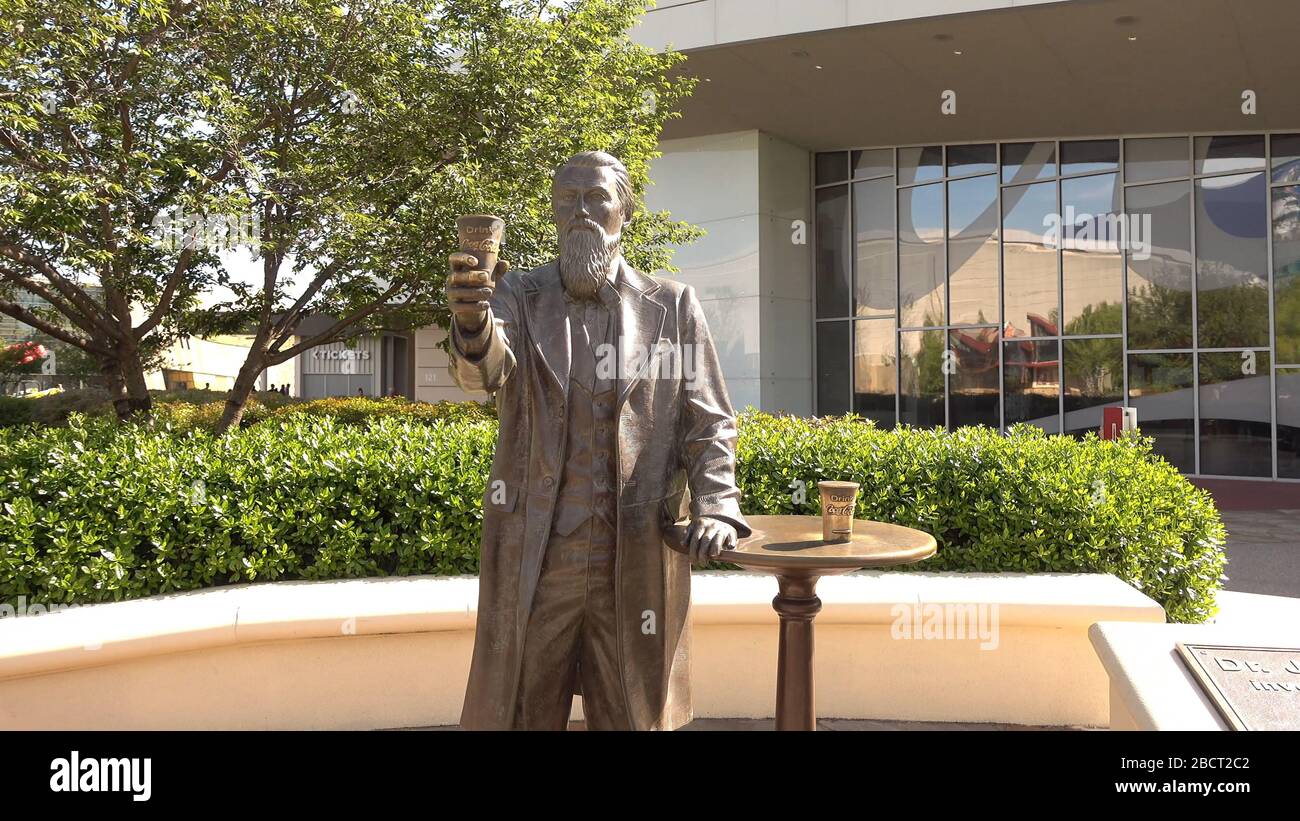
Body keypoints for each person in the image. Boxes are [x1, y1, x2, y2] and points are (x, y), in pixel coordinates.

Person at [447, 150, 749, 731]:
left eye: (595, 199)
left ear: (624, 211)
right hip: (540, 551)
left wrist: (716, 505)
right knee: (523, 711)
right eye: (567, 200)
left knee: (632, 713)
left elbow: (708, 420)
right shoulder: (518, 296)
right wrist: (471, 324)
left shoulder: (673, 306)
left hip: (633, 550)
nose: (579, 212)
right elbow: (485, 374)